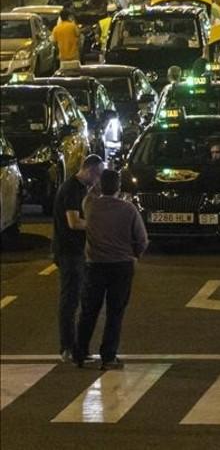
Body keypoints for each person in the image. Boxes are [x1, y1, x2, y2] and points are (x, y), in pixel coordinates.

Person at [71, 169, 147, 368]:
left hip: (94, 264)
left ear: (100, 186)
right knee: (115, 312)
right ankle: (108, 355)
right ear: (119, 187)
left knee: (88, 310)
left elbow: (90, 194)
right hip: (121, 265)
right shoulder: (128, 209)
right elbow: (142, 239)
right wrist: (135, 255)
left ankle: (80, 352)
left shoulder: (90, 205)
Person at [53, 155, 104, 362]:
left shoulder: (80, 188)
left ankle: (73, 347)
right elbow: (74, 222)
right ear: (90, 170)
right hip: (69, 251)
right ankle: (67, 347)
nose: (98, 180)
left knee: (76, 299)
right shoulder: (72, 189)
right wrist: (97, 224)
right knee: (70, 300)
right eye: (98, 174)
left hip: (75, 251)